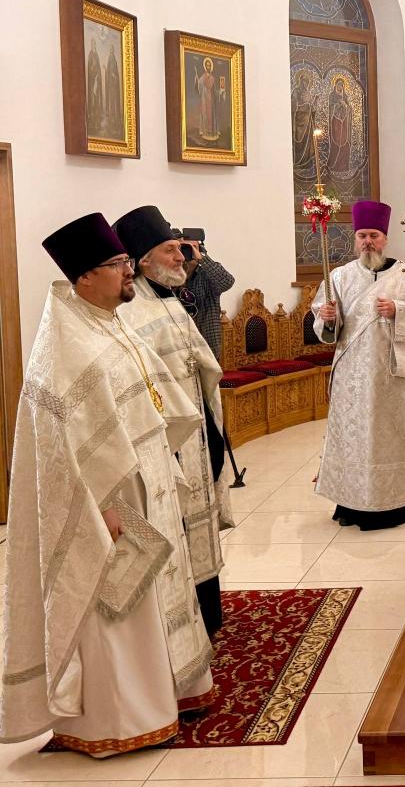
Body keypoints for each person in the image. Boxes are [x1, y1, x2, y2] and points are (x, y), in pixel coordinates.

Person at [0, 214, 214, 756]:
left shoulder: (107, 322)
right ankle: (119, 719)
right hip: (107, 503)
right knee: (117, 605)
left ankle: (168, 692)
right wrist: (101, 506)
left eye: (125, 262)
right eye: (118, 264)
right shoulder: (65, 346)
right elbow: (62, 450)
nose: (127, 272)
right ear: (85, 276)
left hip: (146, 481)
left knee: (151, 595)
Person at [114, 206, 230, 636]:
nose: (182, 256)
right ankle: (180, 621)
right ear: (144, 260)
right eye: (170, 250)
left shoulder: (169, 300)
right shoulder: (129, 312)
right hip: (167, 438)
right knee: (176, 520)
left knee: (199, 514)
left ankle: (207, 613)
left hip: (197, 426)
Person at [313, 200, 405, 530]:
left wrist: (399, 310)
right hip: (351, 377)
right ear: (355, 239)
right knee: (353, 438)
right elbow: (327, 329)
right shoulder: (339, 277)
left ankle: (392, 505)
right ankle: (351, 503)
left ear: (385, 238)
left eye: (374, 235)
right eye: (362, 236)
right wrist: (328, 318)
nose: (368, 241)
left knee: (389, 438)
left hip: (391, 377)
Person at [177, 227, 235, 361]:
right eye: (184, 248)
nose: (189, 251)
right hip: (180, 345)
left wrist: (202, 259)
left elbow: (227, 282)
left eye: (194, 247)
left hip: (207, 343)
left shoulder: (207, 275)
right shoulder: (172, 276)